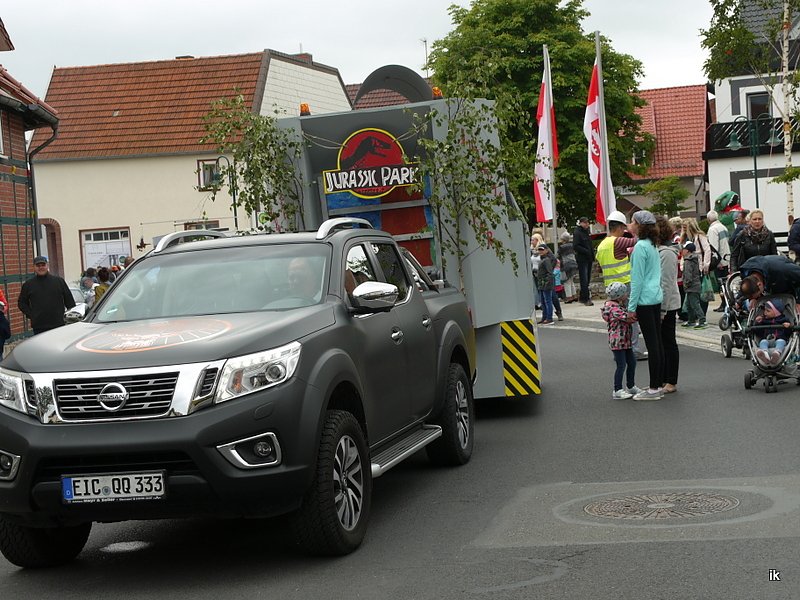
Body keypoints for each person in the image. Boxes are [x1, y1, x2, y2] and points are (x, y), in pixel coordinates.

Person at [595, 209, 647, 360]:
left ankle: (621, 349)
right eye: (624, 228)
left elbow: (599, 266)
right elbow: (638, 241)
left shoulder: (602, 245)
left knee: (617, 320)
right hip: (624, 285)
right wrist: (633, 228)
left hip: (610, 288)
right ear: (620, 227)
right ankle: (634, 350)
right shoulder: (618, 241)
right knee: (631, 317)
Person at [627, 210, 664, 401]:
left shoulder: (640, 247)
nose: (629, 224)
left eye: (632, 221)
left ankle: (653, 388)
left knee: (652, 343)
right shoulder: (652, 245)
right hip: (655, 296)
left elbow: (637, 280)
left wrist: (631, 307)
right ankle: (658, 383)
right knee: (657, 341)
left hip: (644, 300)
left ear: (639, 225)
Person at [17, 255, 76, 335]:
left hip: (59, 325)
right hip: (39, 326)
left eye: (43, 265)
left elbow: (70, 302)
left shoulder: (59, 281)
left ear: (47, 266)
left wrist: (71, 318)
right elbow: (21, 303)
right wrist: (32, 315)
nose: (41, 267)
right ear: (34, 267)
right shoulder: (28, 285)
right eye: (38, 265)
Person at [655, 215, 681, 394]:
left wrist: (662, 309)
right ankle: (663, 379)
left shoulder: (667, 253)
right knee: (662, 343)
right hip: (662, 303)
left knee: (669, 342)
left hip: (668, 305)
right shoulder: (660, 251)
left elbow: (667, 283)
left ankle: (671, 380)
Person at [601, 282, 638, 399]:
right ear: (619, 296)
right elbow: (629, 318)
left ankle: (631, 386)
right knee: (621, 365)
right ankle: (617, 390)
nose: (627, 294)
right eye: (625, 293)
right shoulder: (614, 309)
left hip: (625, 341)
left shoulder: (618, 306)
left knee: (632, 362)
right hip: (618, 341)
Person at [730, 209, 777, 273]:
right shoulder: (742, 235)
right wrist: (733, 271)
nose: (757, 221)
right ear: (750, 221)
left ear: (763, 220)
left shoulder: (769, 234)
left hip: (766, 270)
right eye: (754, 219)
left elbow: (774, 255)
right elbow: (734, 255)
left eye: (759, 219)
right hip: (747, 270)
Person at [752, 298, 791, 365]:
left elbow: (788, 334)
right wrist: (758, 323)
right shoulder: (764, 321)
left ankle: (777, 353)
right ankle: (765, 354)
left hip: (779, 339)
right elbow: (759, 333)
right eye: (764, 310)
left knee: (781, 342)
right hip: (767, 340)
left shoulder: (784, 320)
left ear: (776, 313)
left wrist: (788, 327)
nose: (765, 312)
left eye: (768, 311)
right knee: (762, 342)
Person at [707, 210, 731, 312]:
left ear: (708, 220)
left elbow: (713, 247)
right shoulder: (723, 227)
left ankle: (724, 303)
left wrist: (716, 262)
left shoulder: (713, 229)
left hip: (720, 260)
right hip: (727, 257)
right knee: (726, 283)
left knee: (721, 283)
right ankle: (726, 302)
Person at [680, 242, 705, 329]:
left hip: (691, 286)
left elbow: (688, 274)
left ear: (687, 251)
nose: (682, 251)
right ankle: (691, 321)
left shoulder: (688, 261)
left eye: (684, 249)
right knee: (689, 305)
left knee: (694, 304)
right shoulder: (695, 259)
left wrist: (686, 284)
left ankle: (702, 320)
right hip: (695, 285)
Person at [573, 217, 595, 306]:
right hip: (582, 259)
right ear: (581, 223)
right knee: (584, 279)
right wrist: (586, 251)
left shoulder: (586, 232)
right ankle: (586, 298)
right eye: (585, 223)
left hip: (588, 258)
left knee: (587, 278)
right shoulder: (577, 233)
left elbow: (589, 244)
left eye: (588, 223)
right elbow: (576, 246)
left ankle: (582, 297)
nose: (587, 224)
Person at [535, 243, 556, 325]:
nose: (540, 251)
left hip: (545, 284)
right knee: (543, 302)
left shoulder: (546, 260)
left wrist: (547, 282)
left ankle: (549, 318)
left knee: (547, 301)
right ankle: (544, 317)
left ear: (546, 250)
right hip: (541, 283)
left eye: (542, 250)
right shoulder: (542, 259)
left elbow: (550, 273)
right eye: (539, 250)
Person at [557, 232, 578, 303]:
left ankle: (569, 297)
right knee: (571, 281)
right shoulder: (572, 245)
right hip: (574, 264)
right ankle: (574, 296)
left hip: (566, 265)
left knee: (566, 282)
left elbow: (558, 256)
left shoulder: (562, 247)